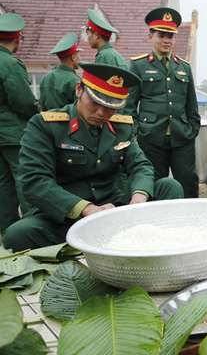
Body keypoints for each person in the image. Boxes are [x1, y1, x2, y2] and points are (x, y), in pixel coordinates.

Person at [2, 63, 183, 250]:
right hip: (69, 216)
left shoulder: (121, 127)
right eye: (95, 102)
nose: (101, 113)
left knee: (168, 187)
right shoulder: (45, 126)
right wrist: (87, 209)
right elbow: (35, 181)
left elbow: (140, 165)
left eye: (110, 107)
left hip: (115, 209)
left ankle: (159, 245)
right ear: (79, 89)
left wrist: (138, 199)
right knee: (17, 235)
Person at [125, 7, 200, 198]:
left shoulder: (183, 67)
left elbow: (191, 104)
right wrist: (136, 132)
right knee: (154, 183)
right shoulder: (139, 65)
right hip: (151, 137)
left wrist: (192, 129)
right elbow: (129, 106)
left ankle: (192, 219)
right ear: (150, 36)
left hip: (182, 136)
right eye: (162, 35)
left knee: (188, 181)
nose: (167, 40)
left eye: (171, 36)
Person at [0, 12, 38, 232]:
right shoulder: (11, 64)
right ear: (16, 39)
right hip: (13, 133)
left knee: (3, 183)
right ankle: (31, 229)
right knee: (25, 180)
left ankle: (7, 230)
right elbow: (23, 101)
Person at [39, 33, 81, 110]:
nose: (80, 59)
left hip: (47, 121)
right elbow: (79, 109)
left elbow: (41, 105)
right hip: (68, 121)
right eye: (79, 55)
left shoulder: (45, 78)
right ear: (73, 57)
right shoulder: (75, 80)